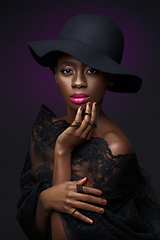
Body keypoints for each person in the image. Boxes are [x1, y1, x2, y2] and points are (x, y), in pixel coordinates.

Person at [16, 14, 160, 240]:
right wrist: (45, 200)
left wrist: (63, 151)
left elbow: (63, 237)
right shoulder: (43, 132)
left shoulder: (114, 149)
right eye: (67, 71)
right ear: (55, 75)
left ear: (110, 78)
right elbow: (37, 231)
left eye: (91, 70)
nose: (78, 82)